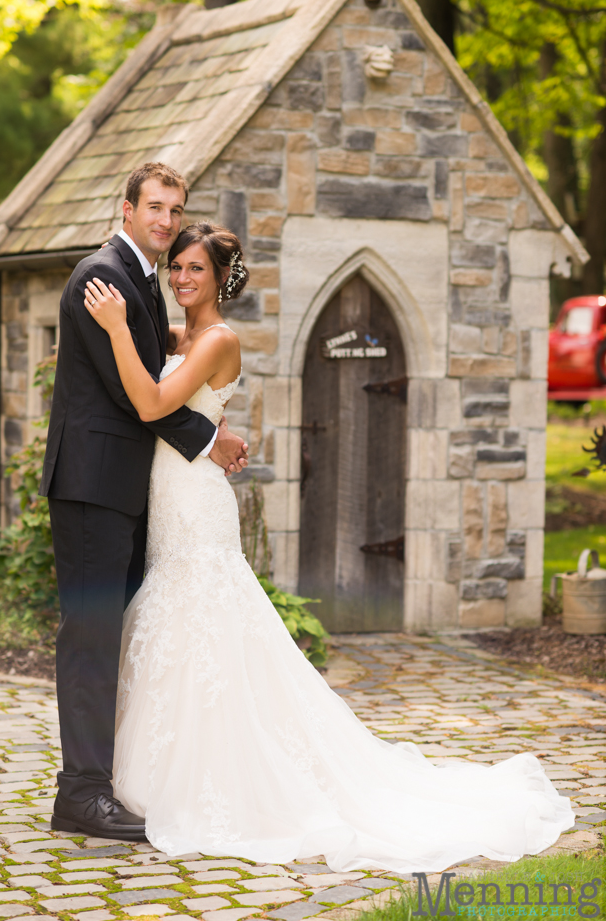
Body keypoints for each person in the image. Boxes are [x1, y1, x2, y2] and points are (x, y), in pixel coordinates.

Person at [83, 220, 574, 873]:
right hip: (174, 495)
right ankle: (156, 773)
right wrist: (204, 419)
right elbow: (173, 385)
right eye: (174, 267)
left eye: (193, 269)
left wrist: (117, 327)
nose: (179, 279)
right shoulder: (187, 335)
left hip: (197, 506)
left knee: (203, 623)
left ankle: (225, 781)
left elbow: (149, 404)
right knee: (181, 627)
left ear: (220, 278)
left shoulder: (218, 338)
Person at [41, 163, 248, 841]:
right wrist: (209, 437)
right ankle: (81, 795)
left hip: (124, 490)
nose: (164, 219)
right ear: (125, 207)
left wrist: (210, 429)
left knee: (114, 637)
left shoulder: (142, 279)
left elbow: (158, 378)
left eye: (174, 208)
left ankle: (103, 782)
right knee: (92, 639)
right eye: (154, 207)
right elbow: (139, 397)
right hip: (93, 487)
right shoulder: (103, 277)